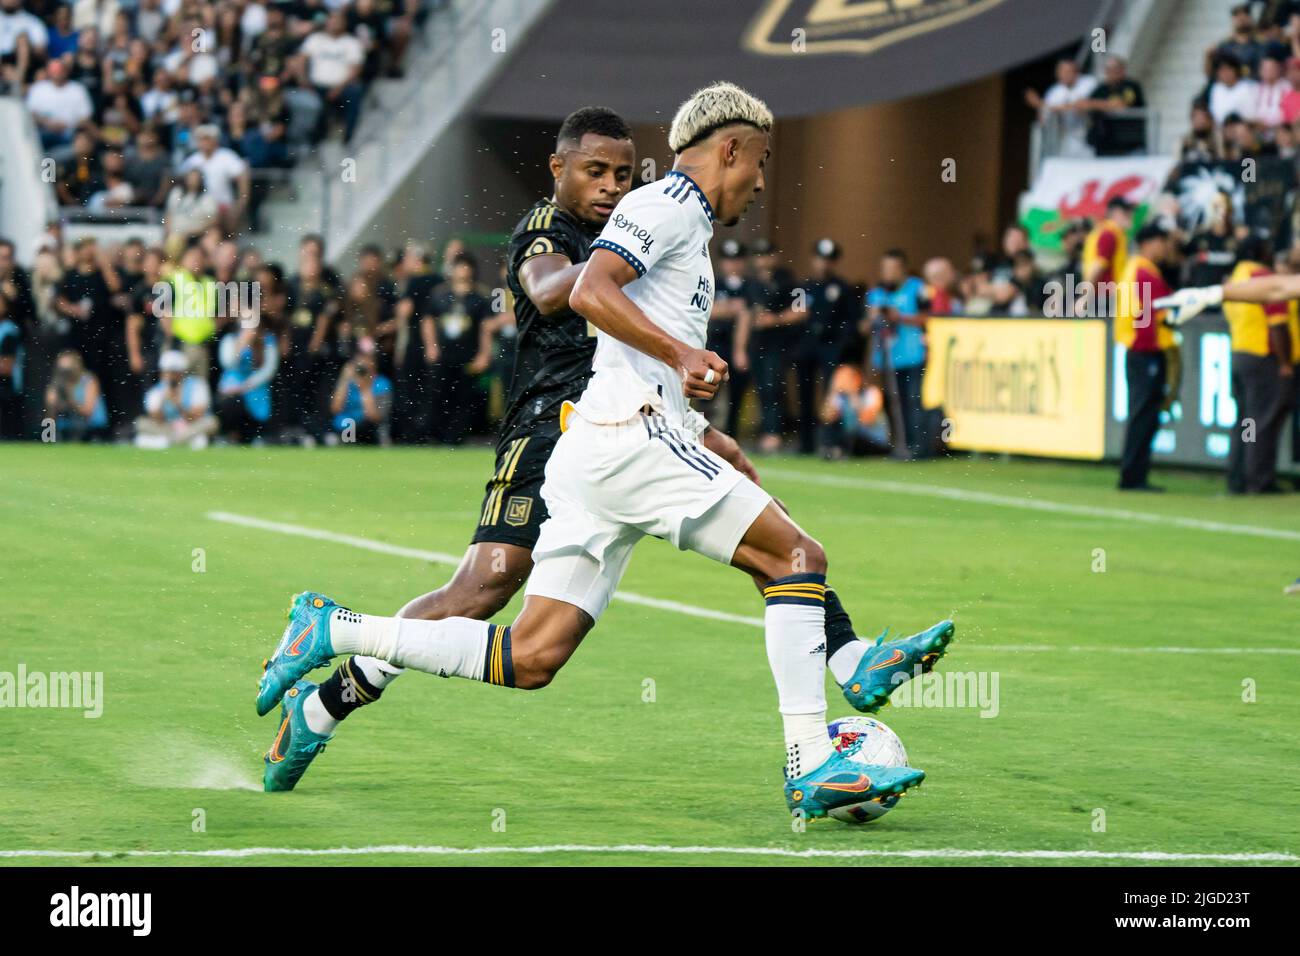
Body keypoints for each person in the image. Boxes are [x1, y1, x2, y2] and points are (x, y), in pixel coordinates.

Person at [253, 84, 953, 818]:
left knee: (533, 656)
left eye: (623, 174)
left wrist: (696, 420)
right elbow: (564, 287)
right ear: (559, 169)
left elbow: (624, 327)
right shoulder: (566, 226)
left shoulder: (659, 224)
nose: (613, 187)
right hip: (558, 430)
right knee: (485, 590)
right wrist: (662, 332)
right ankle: (822, 732)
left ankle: (329, 642)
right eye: (597, 173)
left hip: (610, 432)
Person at [1115, 223, 1176, 491]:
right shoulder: (1145, 272)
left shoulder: (1133, 268)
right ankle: (1133, 476)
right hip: (1145, 352)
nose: (1165, 248)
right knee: (1144, 414)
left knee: (1142, 413)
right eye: (1162, 242)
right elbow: (1161, 311)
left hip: (1137, 351)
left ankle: (1134, 474)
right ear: (1149, 243)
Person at [866, 249, 929, 458]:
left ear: (902, 268)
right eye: (885, 268)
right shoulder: (876, 293)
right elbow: (866, 326)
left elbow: (927, 318)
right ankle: (897, 444)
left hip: (912, 354)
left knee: (912, 400)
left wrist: (899, 317)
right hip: (887, 357)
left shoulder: (917, 288)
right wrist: (873, 317)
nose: (887, 273)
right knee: (891, 401)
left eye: (892, 268)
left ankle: (916, 445)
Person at [134, 350, 218, 449]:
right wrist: (163, 400)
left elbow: (196, 416)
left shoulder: (197, 385)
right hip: (167, 427)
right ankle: (185, 442)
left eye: (173, 372)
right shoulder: (157, 391)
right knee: (140, 422)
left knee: (211, 422)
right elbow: (157, 419)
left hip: (190, 426)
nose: (169, 376)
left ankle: (166, 442)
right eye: (166, 371)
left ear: (181, 372)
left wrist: (178, 404)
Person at [330, 348, 392, 445]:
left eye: (367, 359)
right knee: (345, 423)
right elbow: (335, 408)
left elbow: (375, 417)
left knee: (367, 426)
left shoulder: (382, 384)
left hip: (370, 428)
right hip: (348, 426)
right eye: (360, 359)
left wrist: (365, 387)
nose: (363, 363)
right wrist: (344, 379)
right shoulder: (349, 382)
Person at [45, 349, 108, 441]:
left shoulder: (88, 380)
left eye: (67, 369)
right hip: (67, 427)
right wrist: (51, 406)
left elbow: (88, 412)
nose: (65, 373)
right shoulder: (58, 383)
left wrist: (70, 398)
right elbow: (50, 419)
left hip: (90, 427)